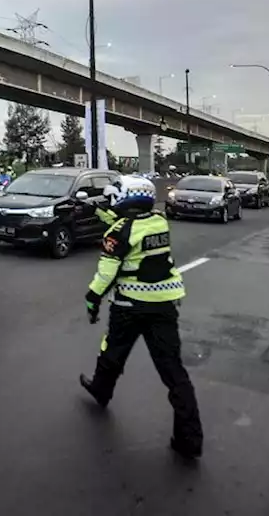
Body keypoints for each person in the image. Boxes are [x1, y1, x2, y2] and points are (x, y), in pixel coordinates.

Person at [79, 175, 203, 459]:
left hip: (129, 305)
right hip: (164, 304)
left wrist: (92, 300)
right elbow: (124, 221)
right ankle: (189, 439)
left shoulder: (119, 232)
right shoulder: (159, 221)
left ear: (125, 198)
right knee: (174, 372)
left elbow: (106, 274)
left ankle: (101, 390)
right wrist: (96, 211)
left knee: (113, 350)